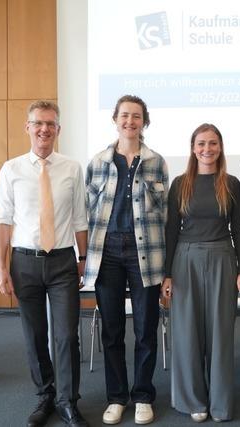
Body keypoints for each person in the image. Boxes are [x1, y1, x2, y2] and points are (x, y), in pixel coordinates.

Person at [0, 100, 89, 427]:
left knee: (66, 336)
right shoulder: (11, 169)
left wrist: (83, 259)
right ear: (28, 127)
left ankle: (67, 401)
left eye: (50, 124)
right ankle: (46, 395)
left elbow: (80, 219)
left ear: (58, 129)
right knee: (35, 335)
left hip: (62, 262)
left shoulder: (72, 168)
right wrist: (0, 268)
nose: (44, 129)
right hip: (24, 263)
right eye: (38, 123)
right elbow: (2, 222)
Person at [84, 95, 168, 425]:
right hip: (107, 253)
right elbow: (88, 213)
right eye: (124, 115)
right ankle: (117, 397)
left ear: (144, 121)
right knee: (112, 330)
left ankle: (143, 395)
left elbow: (164, 215)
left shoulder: (156, 162)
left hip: (145, 253)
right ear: (115, 119)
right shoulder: (98, 162)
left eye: (136, 116)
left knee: (146, 329)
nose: (130, 121)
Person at [162, 123, 240, 423]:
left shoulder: (231, 183)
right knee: (187, 333)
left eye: (213, 143)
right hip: (185, 261)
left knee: (220, 334)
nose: (207, 149)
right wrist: (167, 274)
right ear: (193, 148)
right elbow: (171, 231)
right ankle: (194, 401)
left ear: (220, 147)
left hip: (222, 258)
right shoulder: (180, 184)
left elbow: (239, 229)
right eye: (201, 143)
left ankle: (220, 404)